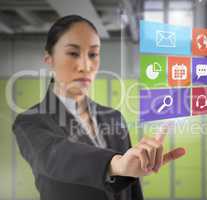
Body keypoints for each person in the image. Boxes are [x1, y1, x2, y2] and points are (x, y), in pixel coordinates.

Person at [12, 15, 186, 200]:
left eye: (93, 54)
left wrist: (132, 166)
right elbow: (55, 155)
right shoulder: (30, 122)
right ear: (49, 59)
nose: (85, 66)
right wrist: (115, 164)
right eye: (73, 53)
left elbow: (133, 189)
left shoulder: (114, 117)